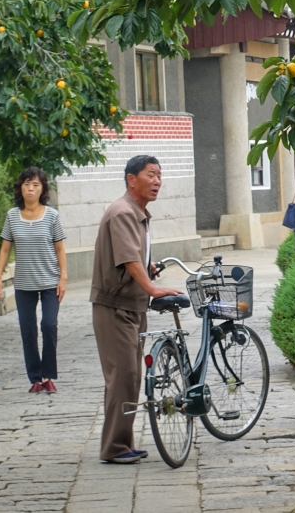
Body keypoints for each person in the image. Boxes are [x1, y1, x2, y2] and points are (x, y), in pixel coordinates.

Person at [90, 155, 180, 465]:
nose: (157, 181)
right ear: (132, 179)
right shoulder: (123, 212)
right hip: (115, 307)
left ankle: (121, 442)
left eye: (159, 175)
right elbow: (128, 259)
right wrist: (152, 288)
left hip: (130, 306)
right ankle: (114, 447)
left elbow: (134, 261)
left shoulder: (137, 212)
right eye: (151, 175)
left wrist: (148, 268)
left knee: (127, 375)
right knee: (123, 375)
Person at [0, 167, 67, 394]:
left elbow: (60, 248)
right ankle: (35, 378)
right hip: (24, 284)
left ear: (42, 188)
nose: (30, 189)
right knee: (28, 330)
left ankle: (48, 375)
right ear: (20, 188)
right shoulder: (12, 216)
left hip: (50, 282)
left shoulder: (52, 216)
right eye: (26, 184)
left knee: (49, 325)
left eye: (35, 184)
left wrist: (63, 278)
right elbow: (5, 249)